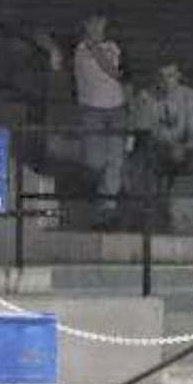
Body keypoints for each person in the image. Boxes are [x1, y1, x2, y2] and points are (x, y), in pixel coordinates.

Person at [143, 62, 193, 234]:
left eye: (171, 76)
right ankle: (152, 219)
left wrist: (183, 148)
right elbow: (149, 131)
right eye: (163, 76)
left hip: (188, 149)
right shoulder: (148, 98)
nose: (167, 81)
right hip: (162, 150)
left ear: (178, 77)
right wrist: (169, 146)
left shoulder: (192, 97)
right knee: (144, 162)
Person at [72, 14, 127, 227]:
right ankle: (96, 197)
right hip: (91, 110)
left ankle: (108, 210)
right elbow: (41, 33)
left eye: (101, 23)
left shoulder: (115, 47)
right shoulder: (77, 46)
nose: (98, 27)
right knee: (94, 161)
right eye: (93, 23)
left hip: (116, 109)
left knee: (115, 161)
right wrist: (53, 51)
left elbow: (120, 74)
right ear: (85, 24)